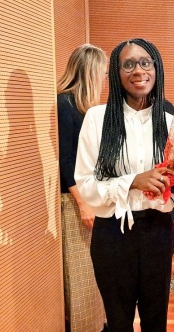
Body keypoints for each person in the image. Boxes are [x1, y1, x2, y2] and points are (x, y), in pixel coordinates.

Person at [75, 38, 174, 331]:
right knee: (118, 322)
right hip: (112, 235)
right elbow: (87, 185)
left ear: (156, 68)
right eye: (127, 64)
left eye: (145, 62)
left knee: (156, 321)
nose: (138, 70)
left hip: (158, 231)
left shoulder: (173, 125)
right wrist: (132, 181)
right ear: (116, 74)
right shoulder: (97, 119)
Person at [57, 44, 108, 332]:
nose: (104, 80)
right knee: (81, 273)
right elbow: (66, 162)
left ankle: (98, 323)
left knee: (95, 270)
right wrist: (83, 204)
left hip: (92, 197)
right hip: (76, 201)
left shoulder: (84, 107)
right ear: (89, 72)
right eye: (102, 73)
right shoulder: (65, 105)